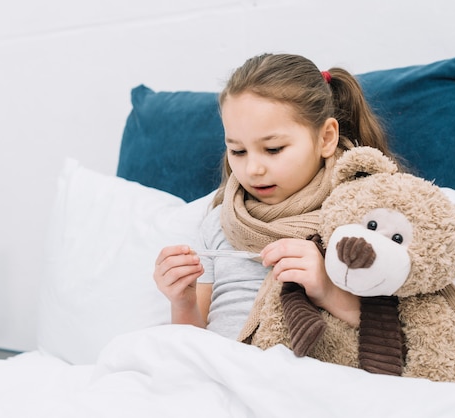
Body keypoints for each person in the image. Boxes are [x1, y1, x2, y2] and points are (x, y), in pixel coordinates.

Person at [153, 53, 397, 341]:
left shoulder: (368, 216)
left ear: (326, 138)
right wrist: (182, 302)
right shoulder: (220, 222)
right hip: (221, 376)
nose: (253, 169)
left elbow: (408, 335)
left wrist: (328, 291)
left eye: (273, 149)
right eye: (238, 151)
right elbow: (194, 344)